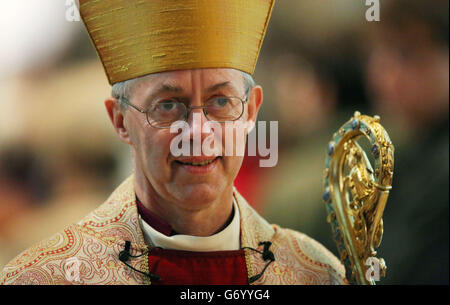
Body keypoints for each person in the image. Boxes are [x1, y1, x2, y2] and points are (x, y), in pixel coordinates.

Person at [0, 0, 346, 285]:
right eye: (167, 106)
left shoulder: (314, 273)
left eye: (221, 101)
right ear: (119, 121)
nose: (197, 131)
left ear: (251, 111)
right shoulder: (45, 278)